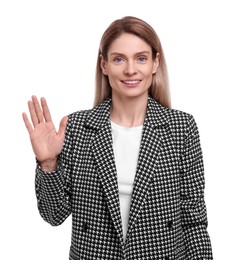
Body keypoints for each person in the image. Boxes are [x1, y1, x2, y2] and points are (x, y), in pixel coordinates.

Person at [22, 16, 213, 260]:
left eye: (141, 58)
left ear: (155, 63)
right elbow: (53, 215)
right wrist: (48, 164)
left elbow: (193, 221)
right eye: (119, 59)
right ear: (104, 65)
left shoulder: (181, 128)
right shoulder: (77, 128)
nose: (130, 69)